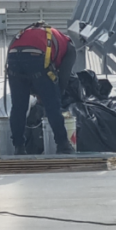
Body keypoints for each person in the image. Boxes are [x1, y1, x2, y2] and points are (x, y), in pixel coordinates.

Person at [6, 22, 77, 155]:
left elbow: (28, 76)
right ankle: (63, 145)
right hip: (36, 57)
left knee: (18, 107)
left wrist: (38, 91)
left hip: (13, 58)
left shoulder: (37, 34)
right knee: (53, 105)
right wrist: (50, 95)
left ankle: (19, 147)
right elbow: (63, 79)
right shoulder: (69, 47)